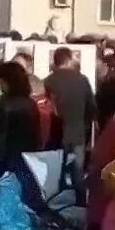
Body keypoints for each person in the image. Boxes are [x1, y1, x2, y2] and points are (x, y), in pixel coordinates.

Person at [45, 46, 95, 203]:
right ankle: (80, 204)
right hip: (78, 133)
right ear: (68, 59)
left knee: (55, 172)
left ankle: (54, 205)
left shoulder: (49, 81)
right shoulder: (82, 80)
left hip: (56, 132)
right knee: (77, 173)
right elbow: (92, 108)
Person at [0, 62, 40, 171]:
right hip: (28, 158)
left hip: (5, 158)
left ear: (6, 81)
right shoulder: (31, 103)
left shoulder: (3, 104)